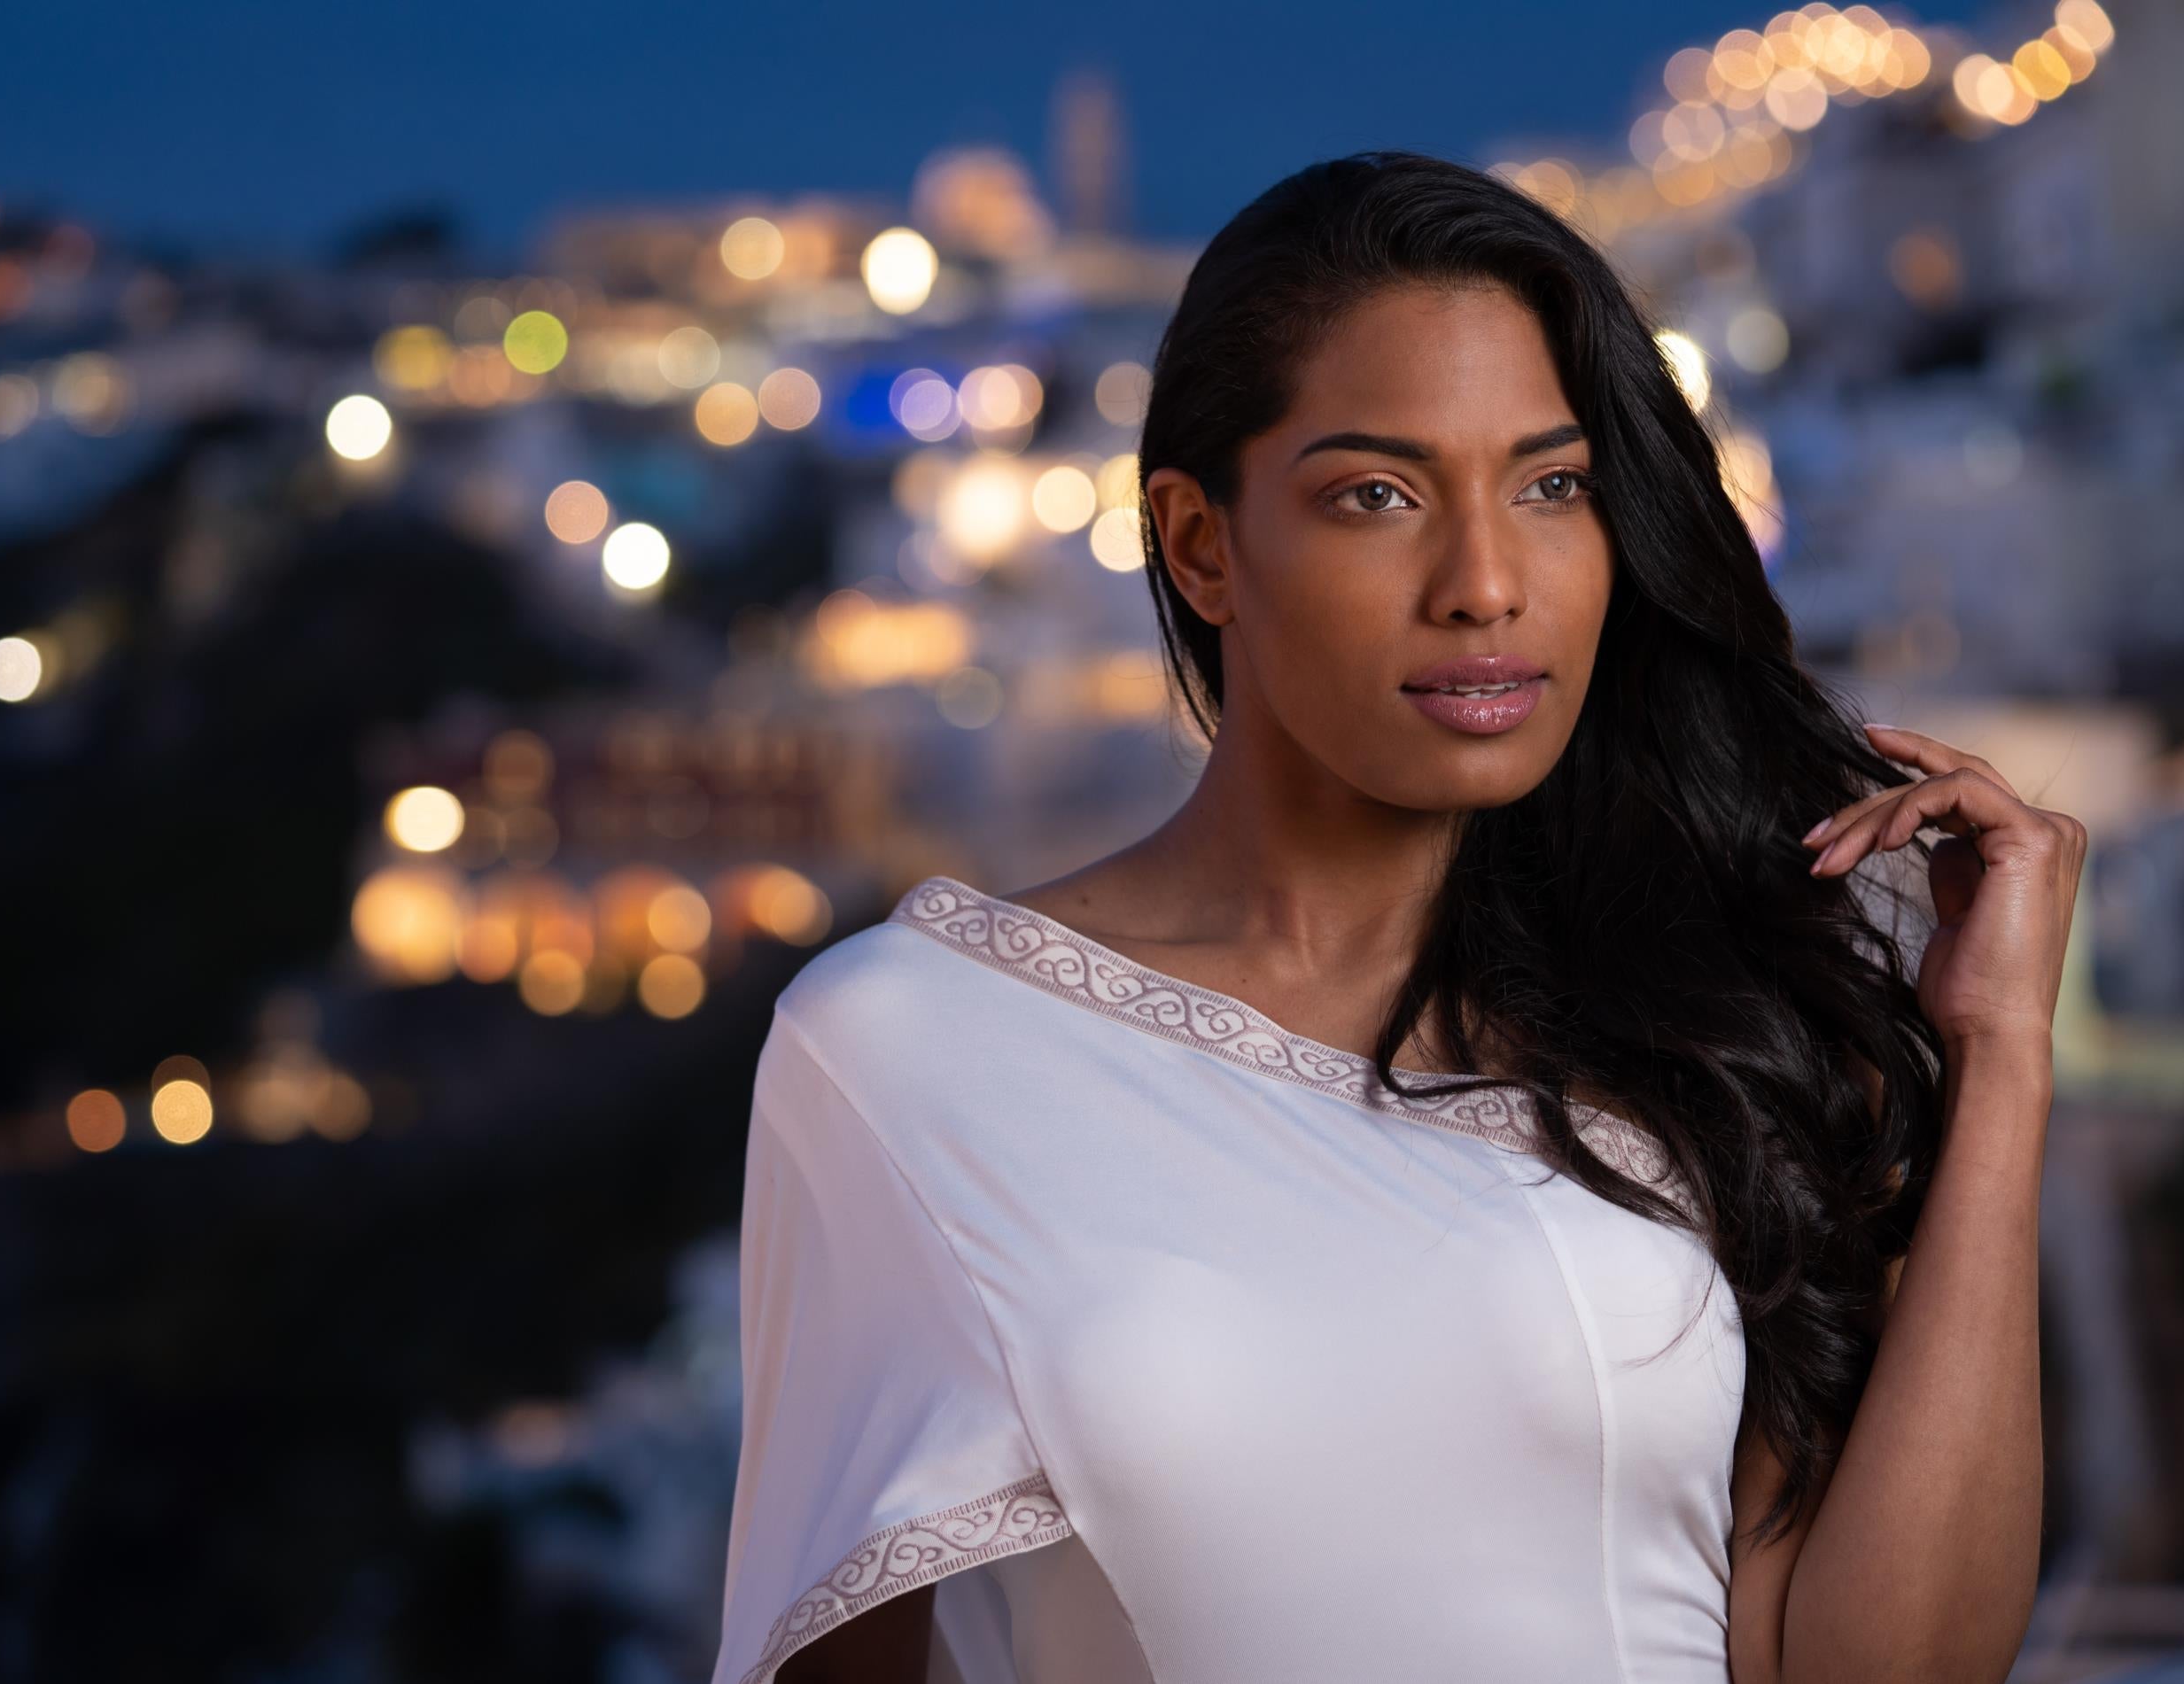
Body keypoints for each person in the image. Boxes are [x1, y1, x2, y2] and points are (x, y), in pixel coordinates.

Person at [710, 150, 2087, 1684]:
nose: (1488, 581)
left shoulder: (1692, 1023)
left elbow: (1879, 1672)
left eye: (1551, 486)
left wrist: (2003, 1053)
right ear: (1200, 545)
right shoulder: (911, 1051)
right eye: (1379, 494)